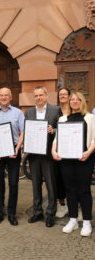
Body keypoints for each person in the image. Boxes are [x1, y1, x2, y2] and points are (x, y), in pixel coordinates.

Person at [52, 92, 95, 237]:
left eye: (78, 99)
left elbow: (94, 139)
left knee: (84, 190)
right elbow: (57, 139)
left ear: (82, 101)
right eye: (72, 100)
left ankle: (87, 222)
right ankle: (73, 220)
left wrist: (88, 152)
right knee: (70, 190)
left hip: (84, 159)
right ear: (69, 102)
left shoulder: (90, 118)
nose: (75, 101)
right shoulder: (63, 118)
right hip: (66, 160)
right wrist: (53, 151)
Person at [25, 86, 60, 228]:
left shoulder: (55, 110)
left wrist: (54, 130)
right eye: (36, 96)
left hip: (48, 154)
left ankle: (50, 213)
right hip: (34, 154)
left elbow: (62, 128)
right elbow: (26, 131)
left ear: (46, 96)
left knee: (51, 184)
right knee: (35, 184)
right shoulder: (29, 112)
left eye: (41, 95)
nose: (38, 98)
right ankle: (38, 211)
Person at [0, 87, 24, 226]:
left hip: (13, 151)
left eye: (6, 95)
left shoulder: (18, 113)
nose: (3, 97)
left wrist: (17, 148)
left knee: (13, 183)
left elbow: (23, 132)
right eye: (1, 95)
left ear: (11, 97)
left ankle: (12, 213)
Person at [55, 88, 71, 218]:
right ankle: (62, 204)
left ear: (70, 96)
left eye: (65, 94)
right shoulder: (55, 110)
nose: (62, 96)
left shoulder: (74, 109)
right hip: (58, 150)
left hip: (72, 149)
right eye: (60, 94)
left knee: (71, 178)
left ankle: (74, 205)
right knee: (59, 178)